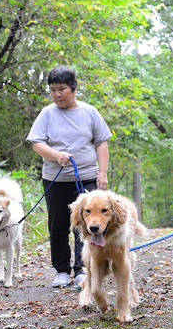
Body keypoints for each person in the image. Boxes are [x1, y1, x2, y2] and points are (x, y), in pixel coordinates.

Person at [27, 66, 112, 289]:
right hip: (55, 180)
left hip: (86, 180)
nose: (57, 94)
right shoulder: (47, 114)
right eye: (53, 90)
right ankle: (61, 270)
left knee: (85, 226)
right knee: (57, 225)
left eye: (62, 89)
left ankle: (82, 270)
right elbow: (37, 143)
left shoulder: (90, 112)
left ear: (74, 88)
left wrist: (102, 174)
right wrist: (56, 156)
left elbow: (101, 142)